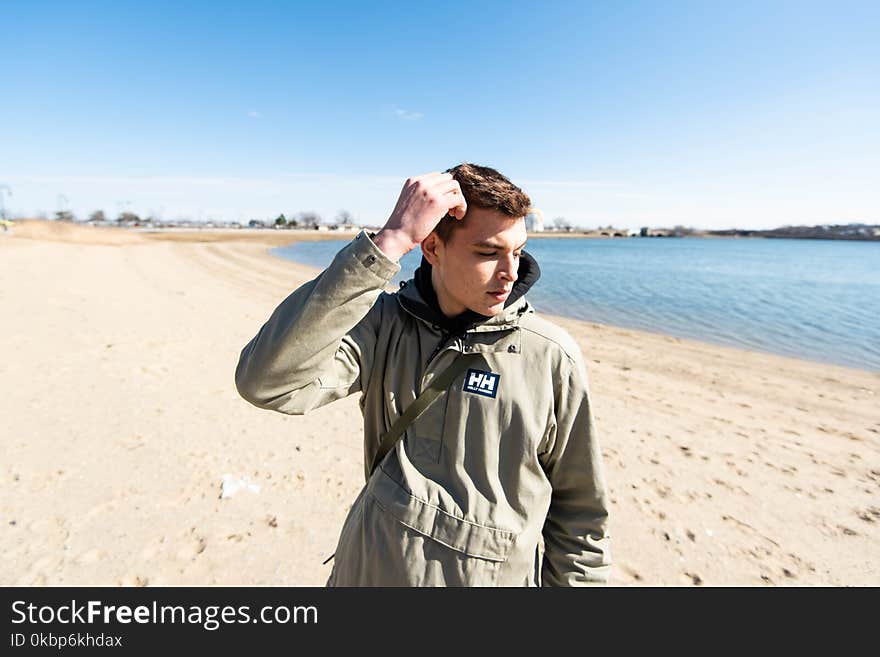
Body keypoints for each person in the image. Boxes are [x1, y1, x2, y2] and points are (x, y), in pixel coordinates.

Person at [235, 163, 611, 586]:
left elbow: (581, 518)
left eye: (519, 250)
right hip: (368, 572)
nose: (511, 271)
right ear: (432, 248)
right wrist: (389, 241)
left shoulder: (550, 355)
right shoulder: (382, 326)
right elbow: (266, 383)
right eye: (489, 253)